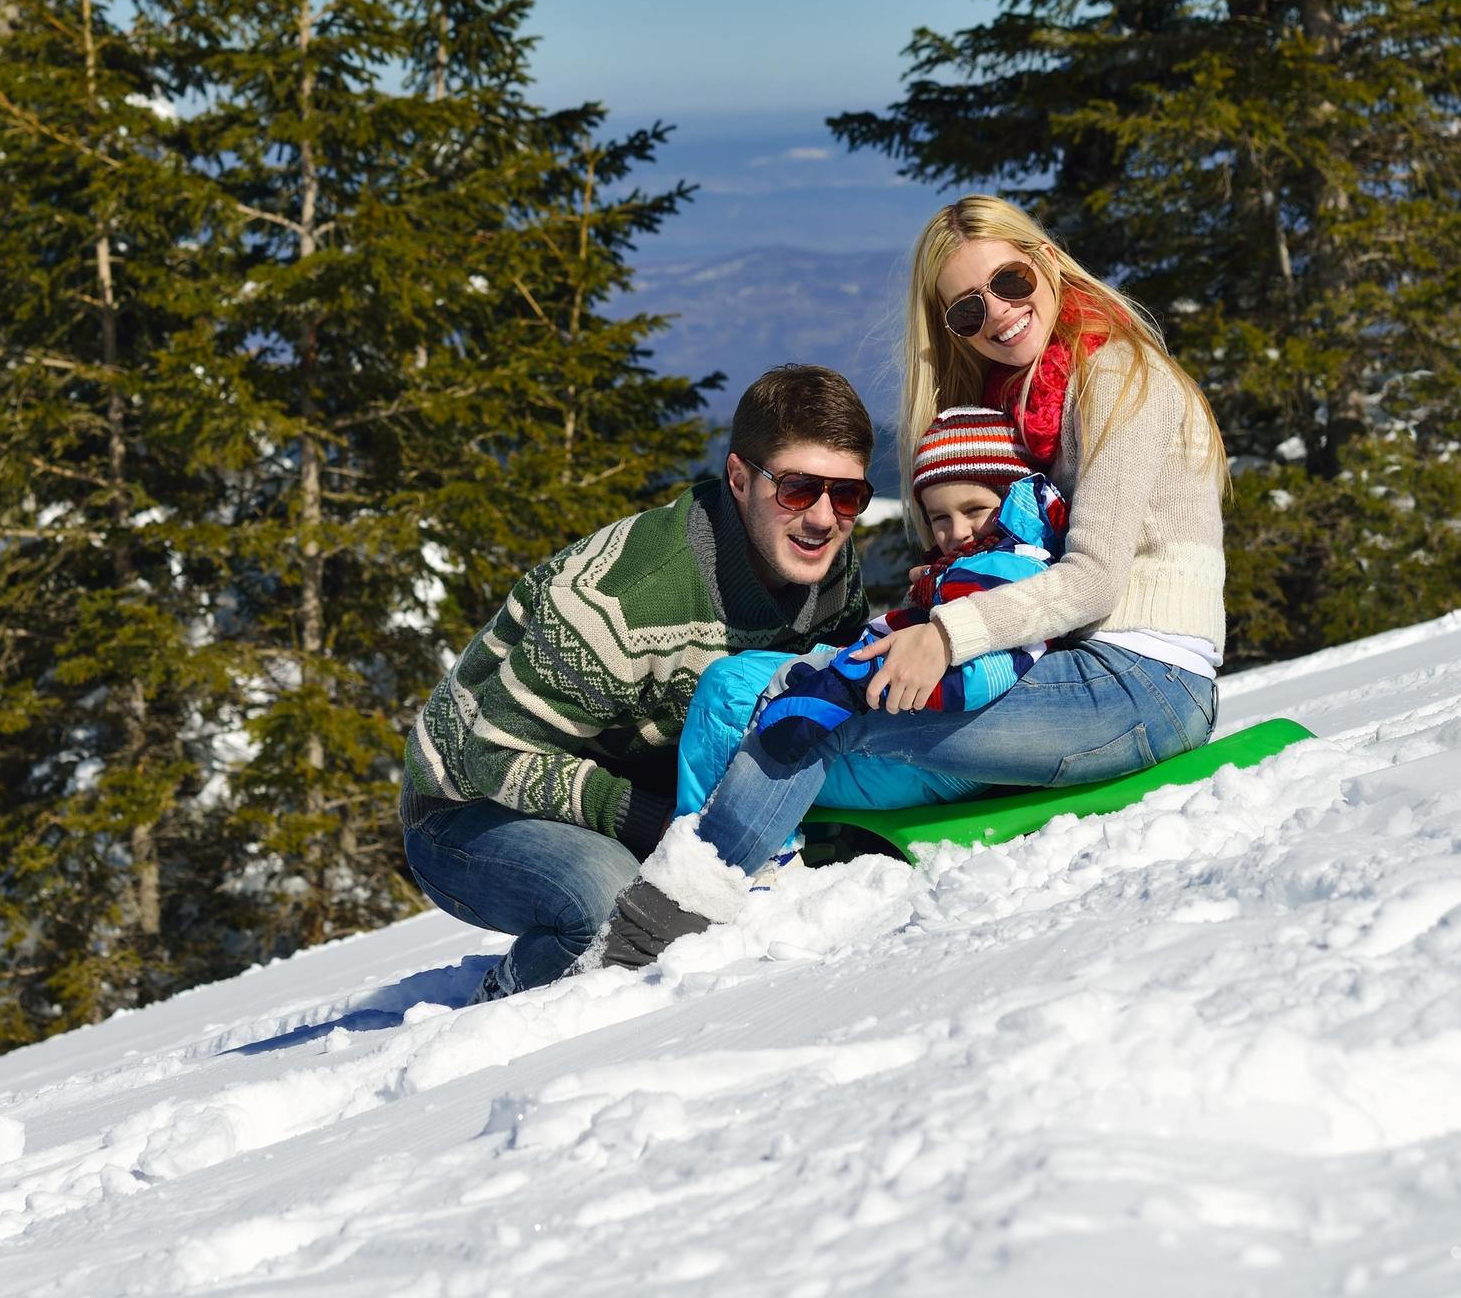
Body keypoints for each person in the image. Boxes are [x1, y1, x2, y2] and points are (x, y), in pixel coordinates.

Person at [588, 196, 1229, 971]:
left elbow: (1092, 582)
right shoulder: (1022, 402)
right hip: (1070, 666)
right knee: (757, 684)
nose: (998, 313)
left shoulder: (1117, 375)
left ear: (1047, 263)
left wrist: (945, 636)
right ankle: (741, 881)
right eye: (967, 309)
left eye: (1010, 280)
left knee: (823, 711)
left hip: (1143, 681)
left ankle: (660, 931)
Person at [399, 365, 874, 998]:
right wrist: (658, 823)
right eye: (797, 489)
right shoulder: (625, 601)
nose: (823, 517)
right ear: (739, 478)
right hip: (467, 805)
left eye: (848, 496)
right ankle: (496, 1009)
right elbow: (494, 755)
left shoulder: (830, 574)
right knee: (622, 910)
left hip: (643, 777)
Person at [671, 405, 1055, 807]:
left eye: (975, 510)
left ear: (1014, 501)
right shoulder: (980, 564)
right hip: (911, 742)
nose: (956, 532)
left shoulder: (1009, 568)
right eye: (939, 517)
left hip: (922, 758)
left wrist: (845, 684)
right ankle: (710, 839)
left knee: (731, 691)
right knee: (737, 679)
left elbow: (983, 677)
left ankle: (710, 844)